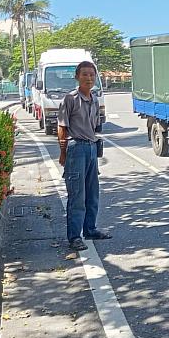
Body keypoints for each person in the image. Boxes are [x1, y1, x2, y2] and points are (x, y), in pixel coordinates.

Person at [58, 61, 112, 251]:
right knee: (77, 195)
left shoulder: (95, 100)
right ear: (77, 77)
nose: (89, 78)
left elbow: (95, 126)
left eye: (92, 75)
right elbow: (62, 127)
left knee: (92, 193)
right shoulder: (70, 99)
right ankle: (74, 237)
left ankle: (90, 229)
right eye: (85, 75)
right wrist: (63, 152)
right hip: (76, 148)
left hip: (91, 148)